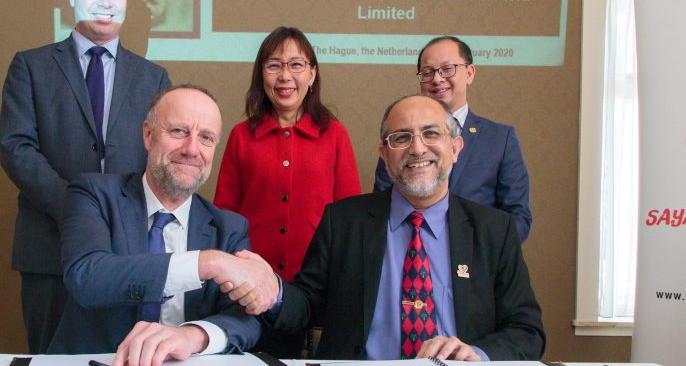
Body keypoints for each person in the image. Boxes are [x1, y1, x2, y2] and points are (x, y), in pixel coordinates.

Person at [245, 95, 544, 361]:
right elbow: (308, 304)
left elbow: (526, 330)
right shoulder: (344, 221)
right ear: (384, 154)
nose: (417, 148)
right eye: (401, 138)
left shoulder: (494, 230)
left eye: (431, 134)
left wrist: (478, 354)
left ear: (455, 148)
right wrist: (274, 291)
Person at [0, 0, 171, 353]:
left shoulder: (154, 78)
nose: (105, 2)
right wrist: (78, 208)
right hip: (49, 249)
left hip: (127, 252)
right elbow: (16, 149)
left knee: (125, 357)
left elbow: (161, 159)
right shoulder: (31, 66)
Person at [47, 85, 279, 366]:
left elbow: (245, 319)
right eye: (179, 131)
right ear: (148, 134)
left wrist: (192, 336)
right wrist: (207, 263)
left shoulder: (229, 228)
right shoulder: (93, 194)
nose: (192, 149)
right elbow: (86, 276)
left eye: (205, 137)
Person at [213, 26, 362, 356]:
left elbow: (351, 216)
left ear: (312, 73)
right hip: (253, 286)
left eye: (296, 64)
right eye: (274, 65)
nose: (285, 76)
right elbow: (224, 215)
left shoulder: (334, 135)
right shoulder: (241, 136)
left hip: (320, 286)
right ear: (261, 75)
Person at [373, 36, 532, 242]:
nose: (437, 79)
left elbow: (517, 216)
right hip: (410, 254)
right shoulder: (400, 138)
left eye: (447, 69)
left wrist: (481, 255)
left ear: (469, 73)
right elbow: (382, 206)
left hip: (479, 262)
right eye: (428, 72)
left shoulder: (500, 139)